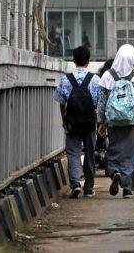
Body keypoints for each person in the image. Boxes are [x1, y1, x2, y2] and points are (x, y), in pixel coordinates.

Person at [97, 44, 134, 198]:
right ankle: (127, 188)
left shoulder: (107, 76)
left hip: (113, 121)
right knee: (131, 154)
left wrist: (101, 122)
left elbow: (101, 102)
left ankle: (115, 172)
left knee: (114, 149)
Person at [53, 46, 101, 198]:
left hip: (72, 122)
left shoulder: (66, 80)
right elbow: (99, 102)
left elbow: (61, 102)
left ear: (73, 60)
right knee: (89, 153)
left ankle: (75, 184)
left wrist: (64, 121)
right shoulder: (95, 79)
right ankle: (88, 187)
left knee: (73, 153)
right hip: (89, 123)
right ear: (88, 61)